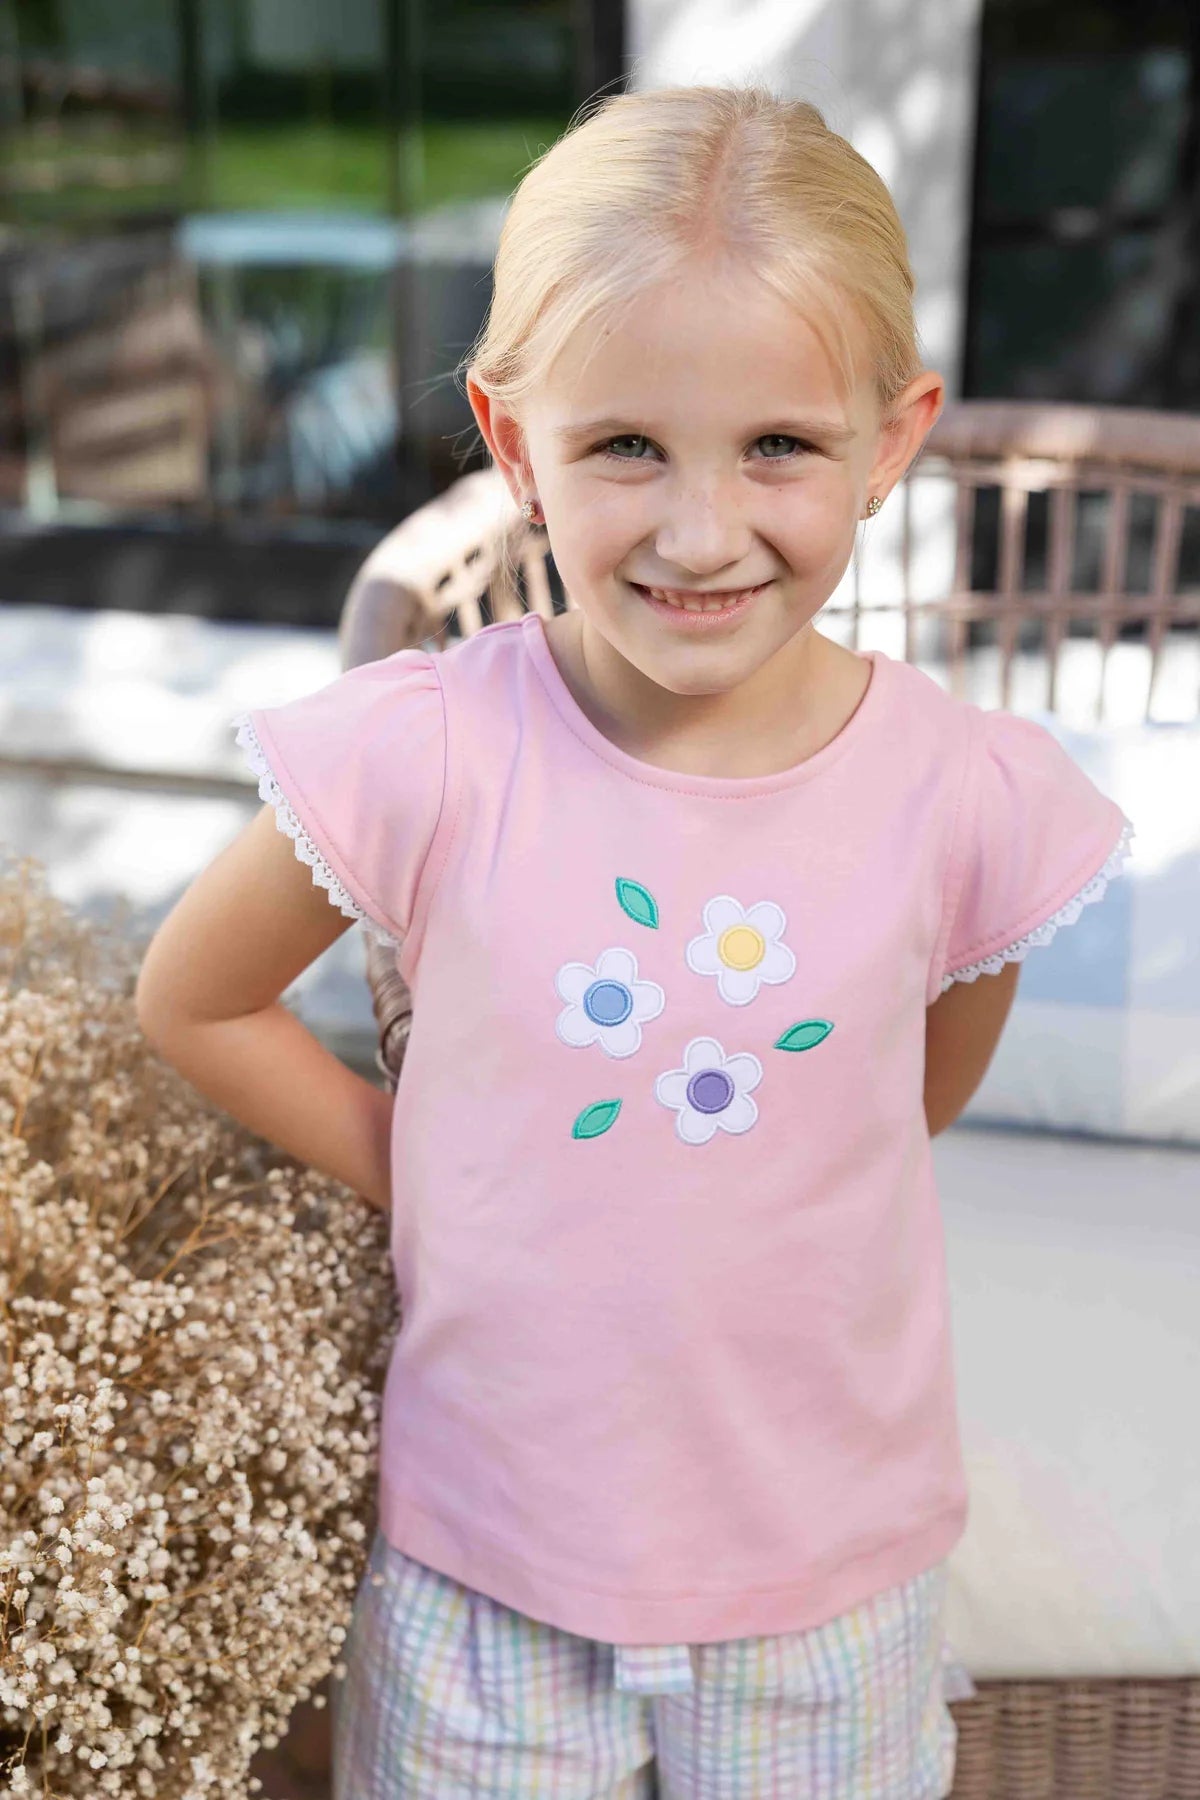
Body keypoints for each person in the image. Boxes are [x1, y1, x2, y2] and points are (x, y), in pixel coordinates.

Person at [135, 83, 1135, 1799]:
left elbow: (907, 1102)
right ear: (514, 443)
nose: (696, 530)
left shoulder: (968, 796)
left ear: (890, 441)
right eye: (624, 448)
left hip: (832, 1592)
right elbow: (189, 996)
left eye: (778, 447)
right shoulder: (426, 745)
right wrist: (426, 1161)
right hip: (484, 1574)